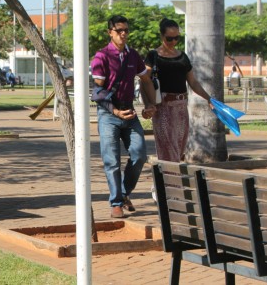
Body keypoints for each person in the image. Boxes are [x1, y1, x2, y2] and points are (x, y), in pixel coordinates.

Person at [90, 15, 157, 219]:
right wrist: (115, 111)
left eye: (126, 30)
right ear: (110, 32)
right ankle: (116, 203)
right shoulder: (101, 56)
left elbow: (146, 79)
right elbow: (98, 92)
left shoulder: (133, 55)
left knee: (139, 156)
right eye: (119, 30)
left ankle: (125, 193)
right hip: (108, 114)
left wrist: (150, 104)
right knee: (112, 161)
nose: (124, 34)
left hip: (130, 112)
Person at [144, 18, 212, 163]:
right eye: (169, 38)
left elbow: (193, 82)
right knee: (169, 150)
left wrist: (208, 98)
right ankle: (171, 184)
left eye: (177, 38)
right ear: (162, 36)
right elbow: (145, 81)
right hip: (163, 107)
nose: (173, 42)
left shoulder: (182, 57)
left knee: (179, 148)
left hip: (181, 108)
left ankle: (164, 184)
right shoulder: (153, 56)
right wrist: (148, 104)